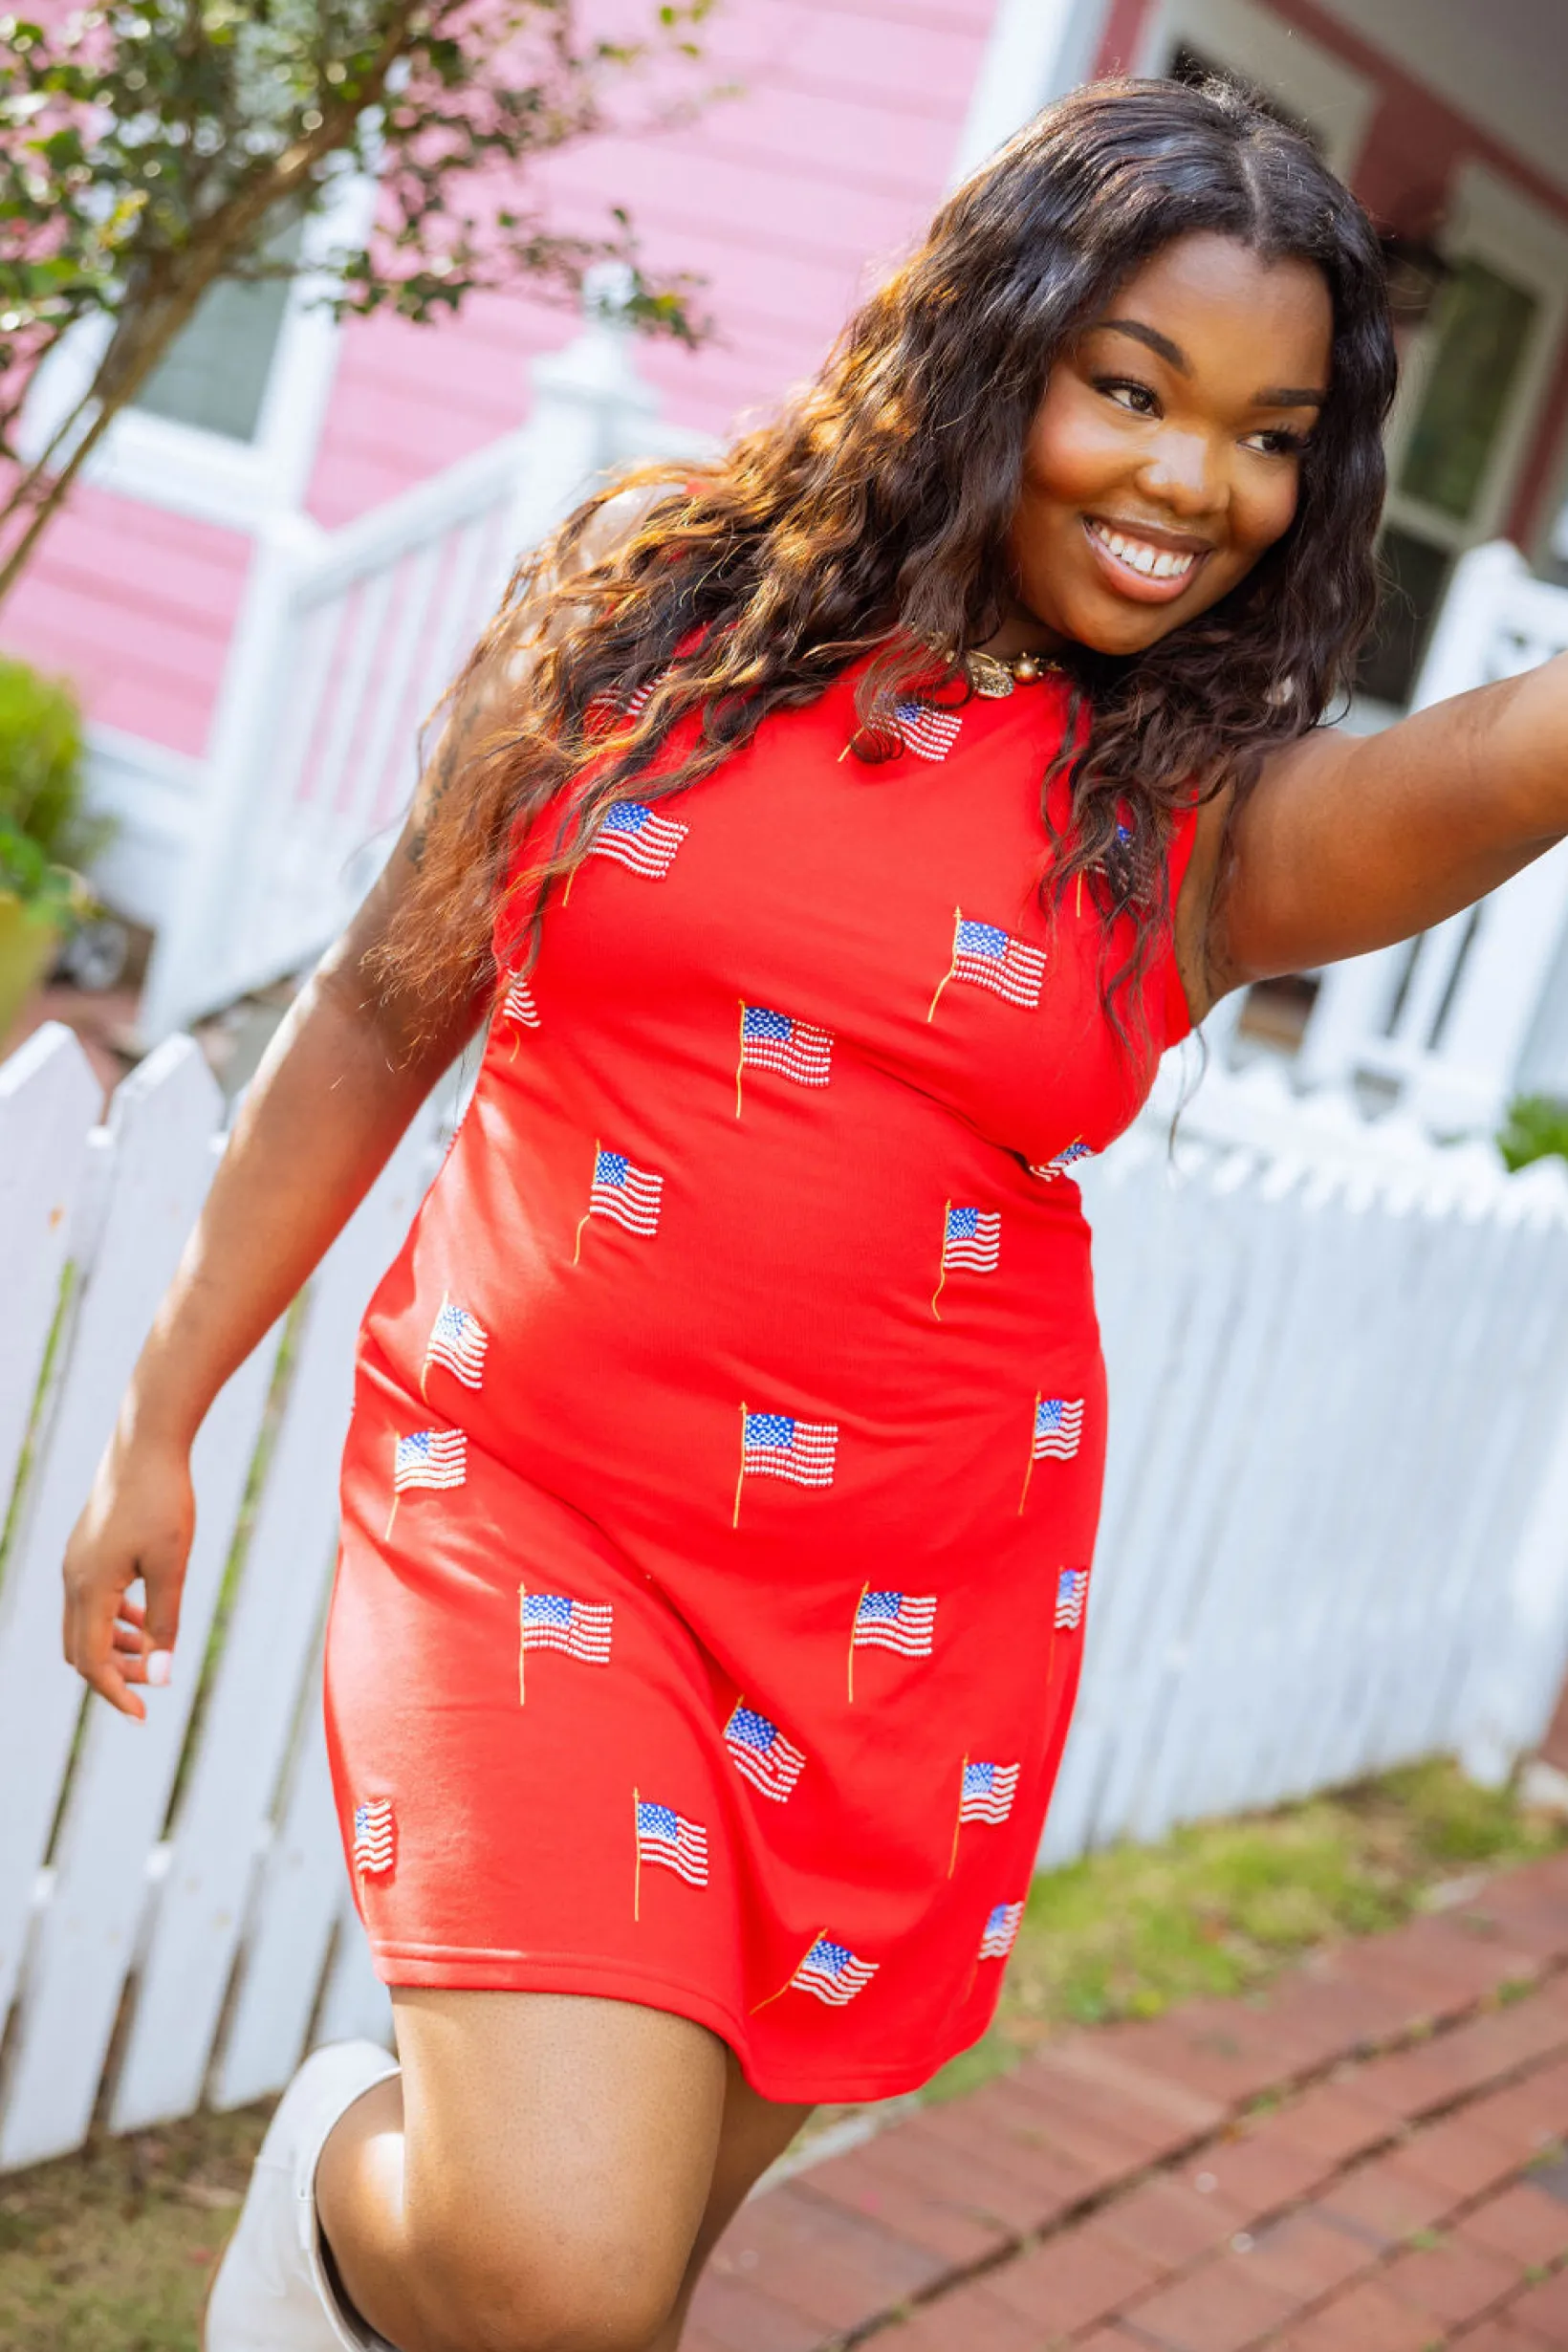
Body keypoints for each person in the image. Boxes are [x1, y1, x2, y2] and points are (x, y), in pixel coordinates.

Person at [60, 74, 1568, 2352]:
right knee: (553, 2273)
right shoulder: (641, 622)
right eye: (1129, 390)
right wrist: (167, 1403)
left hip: (901, 1608)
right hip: (531, 1507)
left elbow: (1487, 766)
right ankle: (330, 2195)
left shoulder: (1181, 817)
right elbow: (377, 1017)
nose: (1191, 484)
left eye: (1265, 436)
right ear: (992, 348)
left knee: (618, 2280)